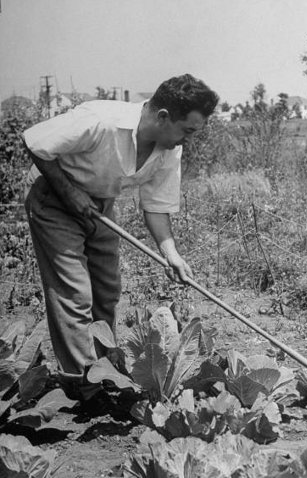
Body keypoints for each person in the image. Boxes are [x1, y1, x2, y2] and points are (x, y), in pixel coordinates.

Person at [23, 74, 219, 412]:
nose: (189, 139)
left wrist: (171, 254)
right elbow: (35, 141)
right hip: (54, 196)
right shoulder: (101, 120)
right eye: (187, 130)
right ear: (162, 117)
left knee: (108, 289)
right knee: (74, 292)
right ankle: (83, 385)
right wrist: (69, 193)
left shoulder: (168, 149)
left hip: (99, 205)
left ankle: (104, 370)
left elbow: (156, 207)